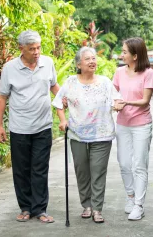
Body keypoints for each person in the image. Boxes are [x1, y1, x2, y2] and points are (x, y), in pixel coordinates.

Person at [0, 30, 59, 223]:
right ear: (21, 49)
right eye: (32, 49)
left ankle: (40, 209)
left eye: (39, 47)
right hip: (19, 128)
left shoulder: (47, 63)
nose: (37, 52)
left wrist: (66, 102)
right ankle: (25, 207)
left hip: (43, 126)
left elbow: (54, 87)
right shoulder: (9, 68)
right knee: (21, 169)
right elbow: (2, 96)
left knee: (40, 169)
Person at [52, 46, 121, 223]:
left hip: (102, 134)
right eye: (88, 59)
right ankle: (87, 205)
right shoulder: (70, 82)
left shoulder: (105, 82)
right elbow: (59, 102)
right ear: (78, 64)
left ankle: (97, 209)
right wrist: (62, 120)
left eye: (94, 58)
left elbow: (116, 99)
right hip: (77, 135)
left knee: (98, 172)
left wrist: (118, 105)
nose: (92, 61)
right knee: (82, 171)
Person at [113, 37, 153, 221]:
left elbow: (145, 100)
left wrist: (125, 102)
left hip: (141, 124)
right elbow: (113, 94)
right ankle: (130, 197)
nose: (121, 54)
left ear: (135, 56)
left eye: (124, 52)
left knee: (139, 165)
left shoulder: (148, 73)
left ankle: (139, 205)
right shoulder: (119, 72)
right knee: (124, 163)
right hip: (123, 124)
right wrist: (115, 103)